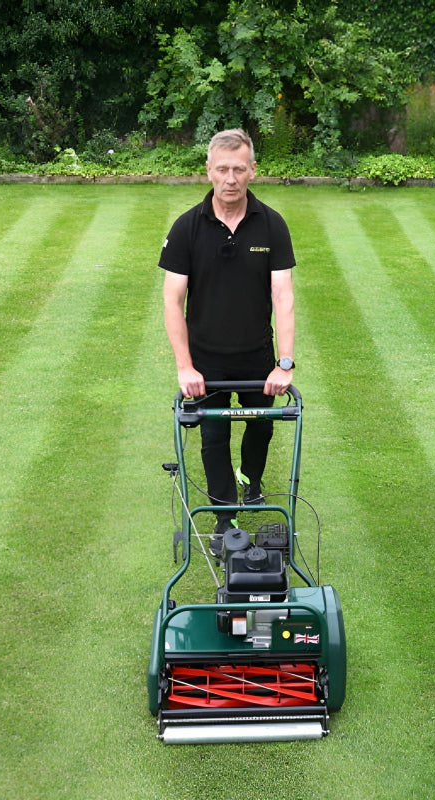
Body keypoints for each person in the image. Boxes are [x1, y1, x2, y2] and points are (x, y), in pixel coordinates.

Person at [159, 128, 296, 557]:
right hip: (206, 360)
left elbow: (284, 296)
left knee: (261, 424)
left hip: (257, 354)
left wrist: (284, 363)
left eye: (239, 169)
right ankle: (223, 519)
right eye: (223, 169)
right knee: (212, 436)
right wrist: (185, 366)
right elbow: (172, 300)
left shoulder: (272, 224)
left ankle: (251, 480)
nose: (231, 178)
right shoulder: (187, 228)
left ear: (253, 170)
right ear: (209, 171)